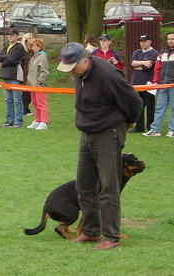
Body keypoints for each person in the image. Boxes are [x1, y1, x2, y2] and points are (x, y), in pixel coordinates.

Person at [57, 42, 142, 250]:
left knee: (108, 186)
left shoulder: (108, 75)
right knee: (84, 186)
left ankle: (112, 236)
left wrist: (123, 124)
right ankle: (90, 231)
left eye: (73, 68)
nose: (71, 73)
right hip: (87, 133)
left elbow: (134, 103)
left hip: (108, 133)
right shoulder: (81, 75)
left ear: (85, 60)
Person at [143, 32, 174, 138]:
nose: (170, 41)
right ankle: (155, 129)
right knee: (159, 107)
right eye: (169, 39)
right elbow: (157, 68)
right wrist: (156, 81)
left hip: (173, 84)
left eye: (172, 39)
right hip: (162, 84)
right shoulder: (163, 52)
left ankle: (172, 130)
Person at [129, 34, 159, 133]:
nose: (143, 43)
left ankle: (150, 127)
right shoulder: (137, 52)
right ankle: (139, 127)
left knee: (150, 107)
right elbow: (131, 63)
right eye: (141, 41)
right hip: (136, 84)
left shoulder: (154, 53)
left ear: (150, 41)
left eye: (145, 41)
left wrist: (137, 64)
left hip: (148, 84)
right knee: (138, 106)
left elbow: (147, 67)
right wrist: (142, 62)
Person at [0, 29, 25, 128]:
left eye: (12, 35)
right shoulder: (7, 46)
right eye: (9, 35)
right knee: (8, 100)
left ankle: (18, 121)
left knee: (17, 100)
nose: (10, 37)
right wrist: (5, 57)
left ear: (17, 36)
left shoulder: (19, 47)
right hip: (5, 76)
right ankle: (9, 120)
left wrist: (4, 58)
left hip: (14, 77)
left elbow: (12, 60)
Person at [25, 38, 49, 130]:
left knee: (41, 103)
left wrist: (40, 82)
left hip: (38, 85)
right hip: (32, 84)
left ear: (39, 47)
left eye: (34, 46)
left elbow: (44, 71)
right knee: (35, 103)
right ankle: (37, 120)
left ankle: (43, 121)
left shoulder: (42, 57)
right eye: (32, 46)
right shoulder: (34, 56)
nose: (33, 48)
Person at [20, 32, 35, 116]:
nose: (32, 39)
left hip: (32, 73)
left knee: (30, 91)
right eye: (30, 37)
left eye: (33, 37)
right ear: (26, 40)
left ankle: (25, 108)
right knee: (25, 92)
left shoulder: (33, 50)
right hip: (24, 72)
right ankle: (24, 109)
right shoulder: (23, 51)